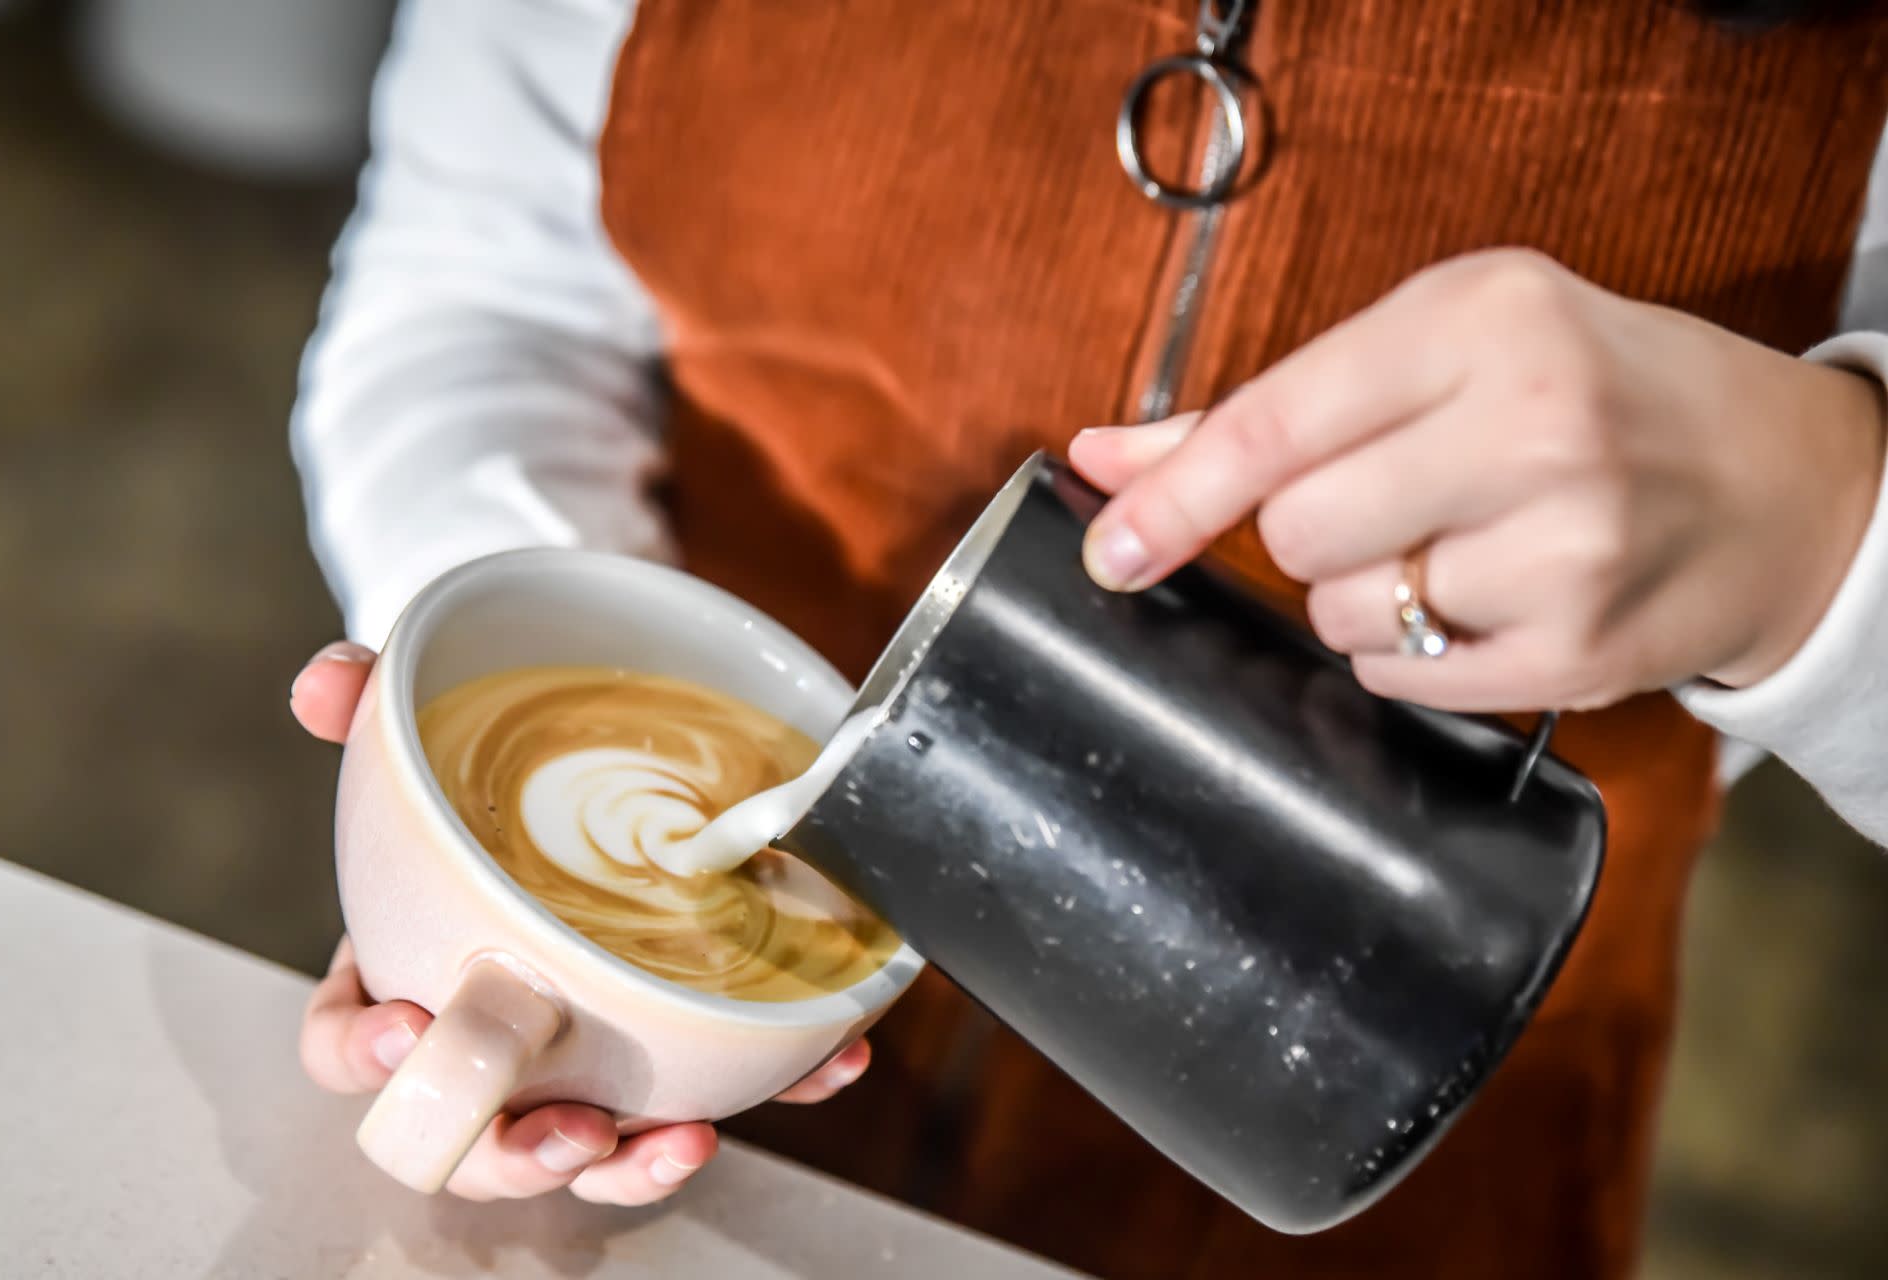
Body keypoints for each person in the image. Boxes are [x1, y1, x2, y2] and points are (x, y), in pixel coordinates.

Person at [285, 1, 1888, 1275]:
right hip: (680, 1157)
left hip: (1423, 1110)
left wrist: (1827, 532)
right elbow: (487, 299)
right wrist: (498, 876)